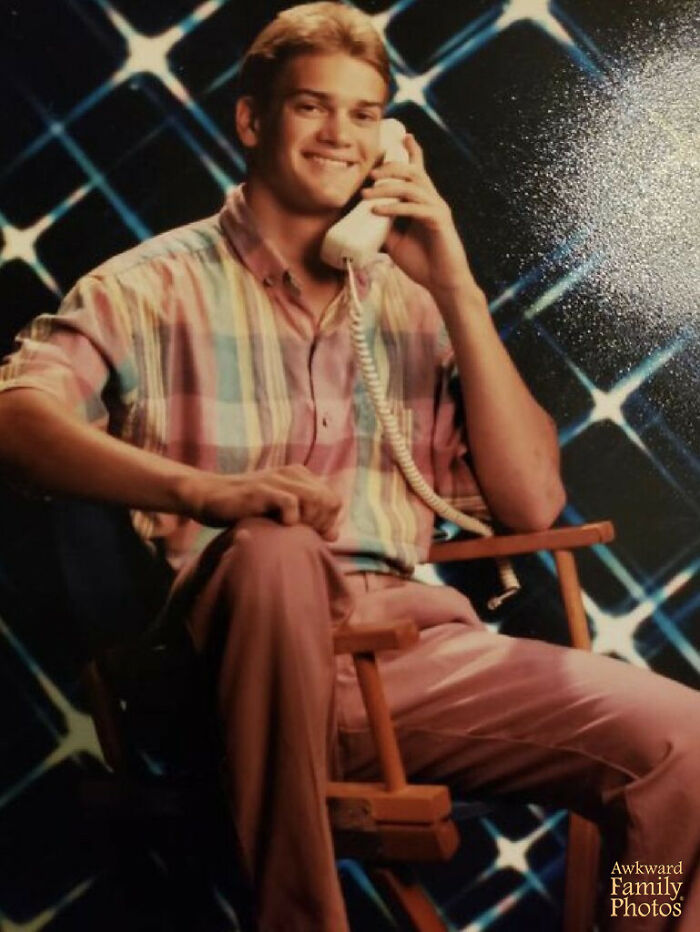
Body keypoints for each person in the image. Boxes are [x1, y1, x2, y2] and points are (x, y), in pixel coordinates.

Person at [0, 4, 697, 930]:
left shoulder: (409, 303)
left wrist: (454, 283)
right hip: (229, 669)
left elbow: (533, 499)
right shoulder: (143, 286)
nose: (340, 134)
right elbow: (14, 419)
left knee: (684, 743)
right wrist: (204, 493)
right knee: (274, 552)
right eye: (312, 107)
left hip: (408, 664)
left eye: (365, 114)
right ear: (253, 121)